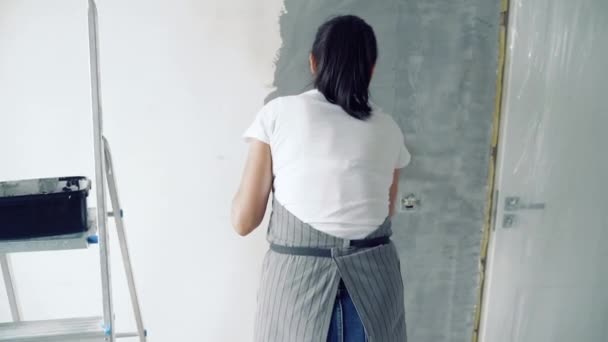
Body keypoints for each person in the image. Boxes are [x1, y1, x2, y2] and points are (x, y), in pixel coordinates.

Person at [232, 15, 410, 342]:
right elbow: (386, 208)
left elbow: (244, 221)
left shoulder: (277, 115)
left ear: (313, 62)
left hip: (297, 297)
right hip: (375, 295)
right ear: (371, 69)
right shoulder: (389, 130)